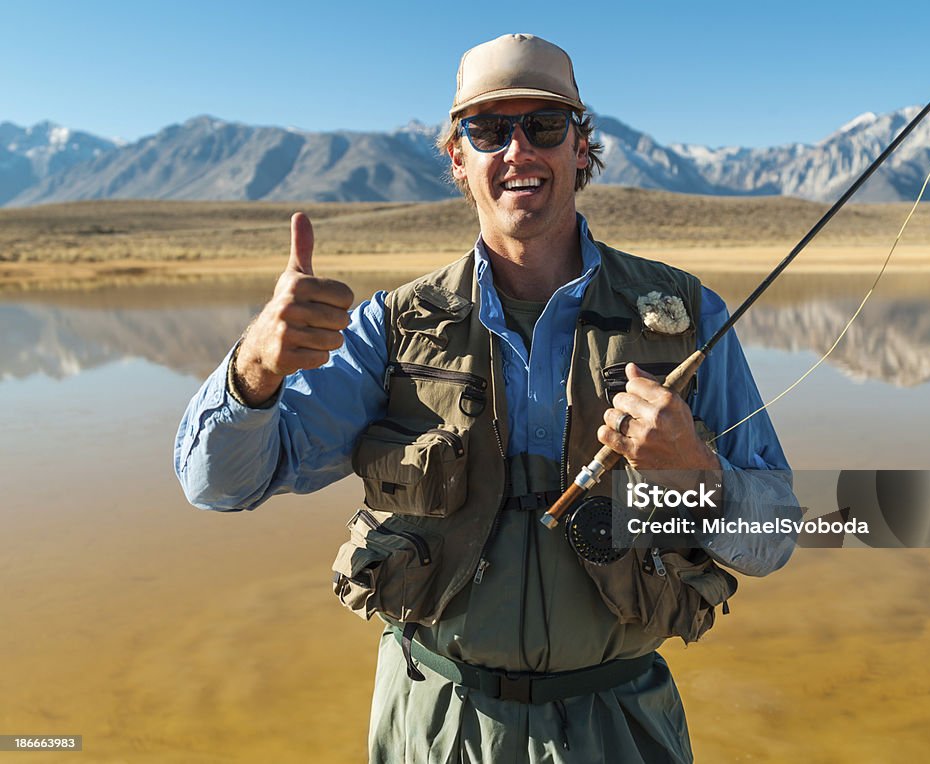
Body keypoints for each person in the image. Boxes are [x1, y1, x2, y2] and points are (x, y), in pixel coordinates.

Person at [175, 33, 800, 764]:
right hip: (434, 721)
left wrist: (699, 475)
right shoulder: (391, 329)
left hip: (623, 723)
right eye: (488, 130)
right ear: (457, 158)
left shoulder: (689, 316)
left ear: (580, 148)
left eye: (542, 126)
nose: (517, 151)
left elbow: (782, 534)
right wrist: (255, 368)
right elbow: (217, 484)